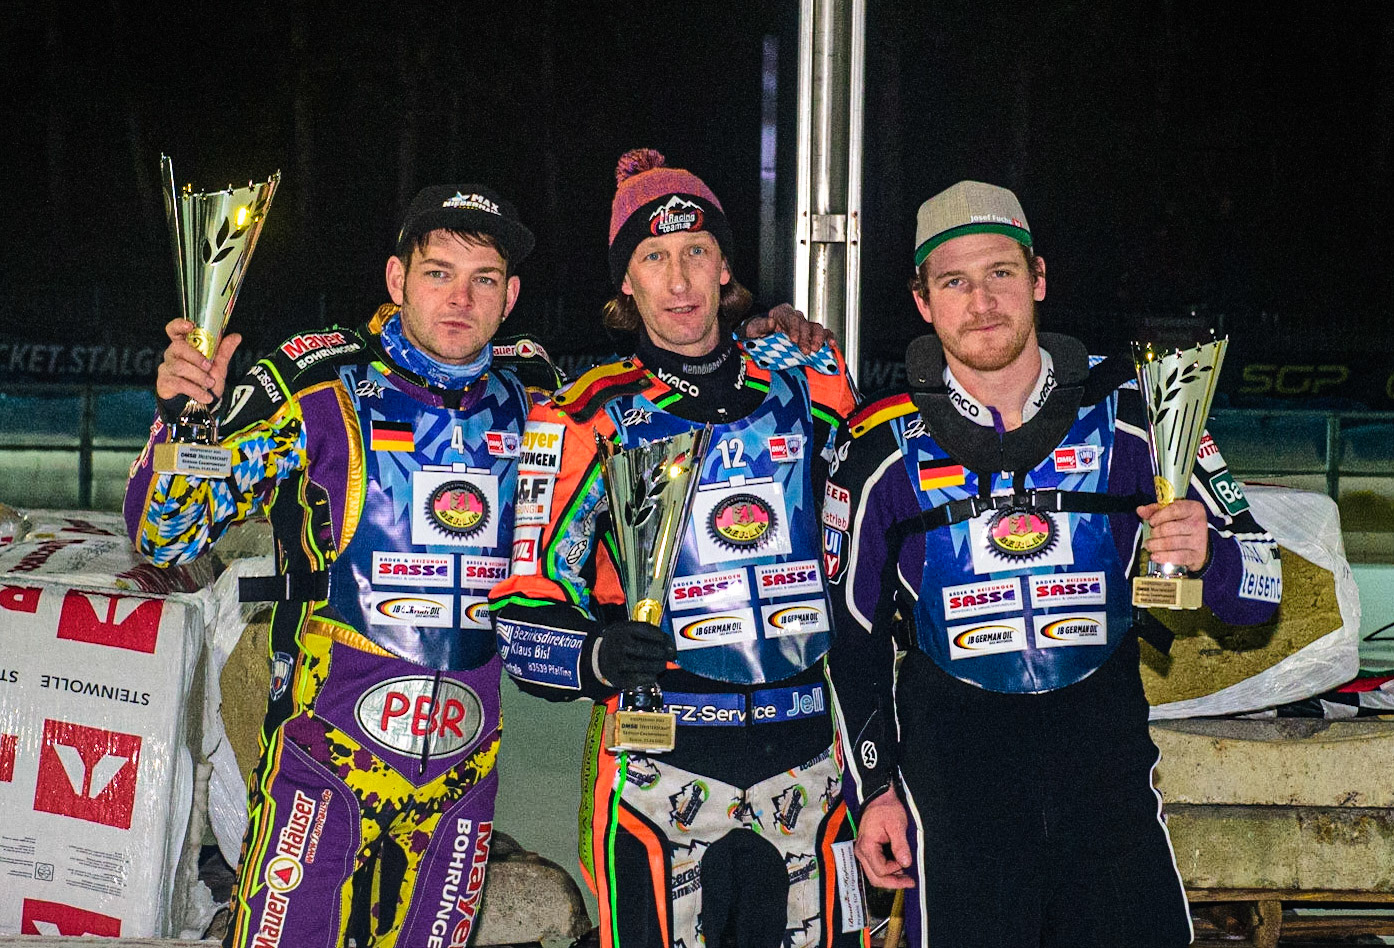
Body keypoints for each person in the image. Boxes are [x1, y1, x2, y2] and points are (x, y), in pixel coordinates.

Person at [824, 180, 1284, 948]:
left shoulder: (1141, 412)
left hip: (1101, 768)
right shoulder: (876, 447)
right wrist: (873, 791)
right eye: (954, 282)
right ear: (922, 302)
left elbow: (1262, 591)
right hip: (955, 775)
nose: (981, 302)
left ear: (1039, 279)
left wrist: (1212, 556)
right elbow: (851, 640)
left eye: (1001, 273)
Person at [126, 186, 563, 948]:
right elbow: (167, 535)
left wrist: (762, 329)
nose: (459, 298)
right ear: (396, 279)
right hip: (325, 760)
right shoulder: (319, 385)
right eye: (438, 273)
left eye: (483, 278)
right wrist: (178, 417)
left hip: (463, 777)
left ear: (510, 295)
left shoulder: (536, 396)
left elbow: (659, 402)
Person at [489, 149, 862, 948]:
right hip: (660, 771)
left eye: (697, 252)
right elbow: (525, 604)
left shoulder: (808, 388)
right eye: (654, 258)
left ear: (725, 264)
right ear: (628, 281)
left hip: (809, 762)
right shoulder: (584, 416)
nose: (681, 278)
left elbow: (868, 530)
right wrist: (591, 653)